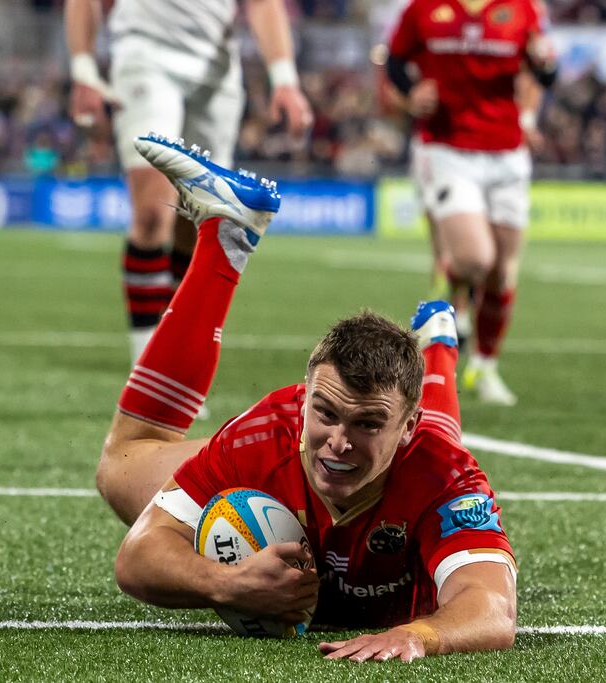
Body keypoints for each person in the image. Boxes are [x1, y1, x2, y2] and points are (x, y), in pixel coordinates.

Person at [97, 134, 517, 662]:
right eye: (325, 413)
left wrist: (419, 635)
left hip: (420, 446)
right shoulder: (264, 434)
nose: (338, 442)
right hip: (355, 442)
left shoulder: (444, 474)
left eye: (367, 423)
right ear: (304, 401)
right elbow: (136, 558)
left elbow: (492, 609)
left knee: (437, 440)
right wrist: (225, 583)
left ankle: (439, 351)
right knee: (122, 467)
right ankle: (225, 242)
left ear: (401, 428)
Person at [64, 0, 312, 362]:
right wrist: (84, 72)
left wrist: (285, 80)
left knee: (200, 224)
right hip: (144, 52)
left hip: (216, 69)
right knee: (152, 214)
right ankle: (146, 364)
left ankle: (173, 351)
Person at [385, 0, 558, 405]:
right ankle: (449, 291)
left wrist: (544, 62)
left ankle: (485, 365)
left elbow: (546, 74)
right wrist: (412, 93)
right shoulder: (423, 9)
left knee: (502, 272)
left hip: (507, 153)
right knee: (475, 258)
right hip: (447, 149)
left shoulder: (523, 9)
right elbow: (394, 62)